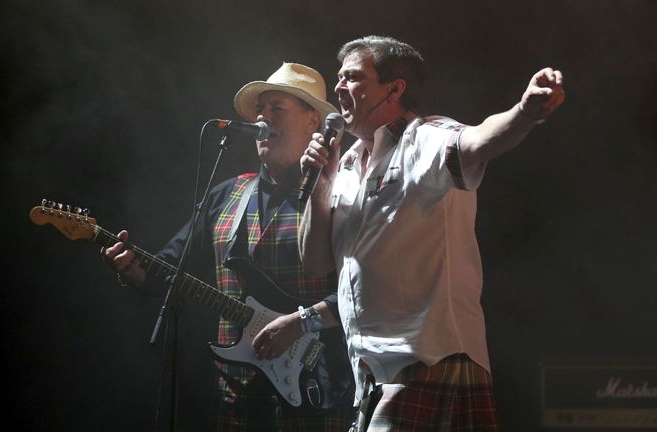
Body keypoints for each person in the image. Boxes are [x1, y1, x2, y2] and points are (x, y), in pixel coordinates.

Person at [299, 35, 565, 430]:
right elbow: (315, 261)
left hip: (428, 360)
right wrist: (320, 181)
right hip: (373, 375)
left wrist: (525, 112)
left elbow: (478, 139)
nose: (338, 86)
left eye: (352, 78)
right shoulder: (346, 165)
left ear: (394, 89)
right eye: (338, 77)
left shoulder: (422, 138)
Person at [102, 62, 354, 431]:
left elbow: (365, 290)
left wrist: (299, 324)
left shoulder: (340, 196)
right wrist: (132, 267)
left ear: (312, 122)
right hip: (239, 392)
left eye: (277, 109)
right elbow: (170, 271)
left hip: (319, 383)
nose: (263, 120)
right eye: (260, 111)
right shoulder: (227, 195)